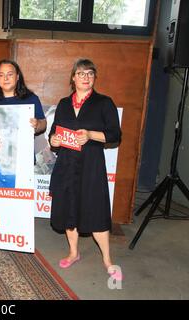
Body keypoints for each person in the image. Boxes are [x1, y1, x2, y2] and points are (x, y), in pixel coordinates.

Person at [48, 58, 123, 281]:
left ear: (94, 77)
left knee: (95, 209)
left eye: (90, 73)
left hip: (91, 165)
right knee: (69, 208)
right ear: (73, 78)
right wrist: (54, 140)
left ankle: (108, 260)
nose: (86, 77)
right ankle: (73, 253)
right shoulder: (62, 103)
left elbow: (114, 135)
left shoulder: (104, 102)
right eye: (81, 73)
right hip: (67, 165)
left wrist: (90, 135)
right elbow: (54, 133)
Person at [0, 59, 46, 135]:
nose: (5, 78)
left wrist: (37, 124)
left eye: (10, 74)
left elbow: (43, 124)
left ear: (17, 77)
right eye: (1, 75)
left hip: (23, 144)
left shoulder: (30, 98)